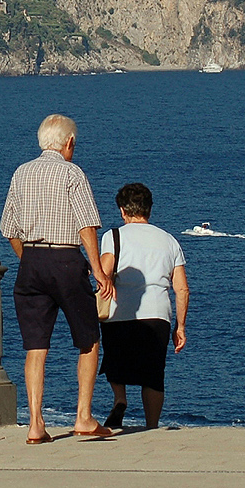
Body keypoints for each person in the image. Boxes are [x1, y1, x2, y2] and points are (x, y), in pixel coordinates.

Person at [0, 113, 118, 444]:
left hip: (32, 261)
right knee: (88, 337)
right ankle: (83, 417)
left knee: (36, 346)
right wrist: (97, 270)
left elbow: (9, 228)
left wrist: (30, 259)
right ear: (69, 143)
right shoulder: (72, 173)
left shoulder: (21, 173)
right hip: (66, 259)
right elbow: (87, 225)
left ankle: (35, 424)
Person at [98, 182, 189, 430]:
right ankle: (152, 425)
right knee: (153, 374)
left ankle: (120, 398)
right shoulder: (169, 241)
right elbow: (181, 288)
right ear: (149, 209)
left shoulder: (113, 236)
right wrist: (180, 327)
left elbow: (104, 271)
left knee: (115, 362)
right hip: (157, 315)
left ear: (122, 211)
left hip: (119, 312)